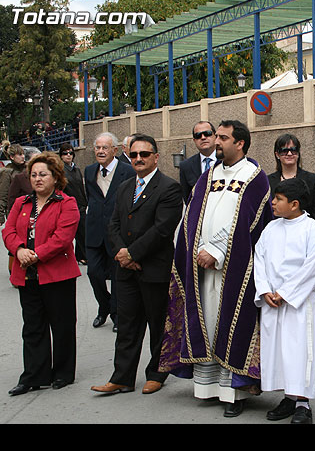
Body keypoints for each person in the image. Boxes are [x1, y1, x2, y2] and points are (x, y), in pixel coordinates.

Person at [159, 120, 273, 418]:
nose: (216, 141)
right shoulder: (208, 175)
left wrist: (218, 252)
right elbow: (192, 215)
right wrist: (194, 249)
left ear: (240, 143)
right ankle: (209, 387)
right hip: (201, 263)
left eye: (223, 137)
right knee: (207, 321)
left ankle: (233, 391)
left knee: (231, 324)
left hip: (233, 268)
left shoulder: (255, 177)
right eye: (216, 136)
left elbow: (250, 224)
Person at [91, 134, 183, 396]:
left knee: (157, 324)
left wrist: (132, 254)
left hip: (153, 269)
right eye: (134, 155)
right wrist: (122, 253)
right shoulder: (124, 187)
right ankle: (122, 377)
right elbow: (114, 224)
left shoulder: (169, 188)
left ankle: (157, 373)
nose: (139, 159)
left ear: (156, 156)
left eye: (144, 154)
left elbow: (162, 229)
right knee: (128, 326)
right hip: (125, 270)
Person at [3, 152, 81, 396]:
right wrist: (18, 250)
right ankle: (34, 375)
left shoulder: (66, 203)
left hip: (57, 274)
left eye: (43, 174)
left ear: (55, 177)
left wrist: (35, 254)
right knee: (33, 326)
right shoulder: (21, 203)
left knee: (62, 324)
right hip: (27, 274)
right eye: (33, 175)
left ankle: (63, 372)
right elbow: (9, 231)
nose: (37, 179)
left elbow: (62, 238)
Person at [254, 178, 315, 424]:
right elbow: (260, 260)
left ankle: (303, 404)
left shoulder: (311, 229)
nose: (273, 203)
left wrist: (286, 293)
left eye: (278, 199)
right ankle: (288, 396)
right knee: (278, 351)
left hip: (298, 303)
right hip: (272, 301)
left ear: (294, 204)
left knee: (299, 351)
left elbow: (313, 267)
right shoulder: (271, 229)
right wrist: (265, 290)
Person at [84, 132, 136, 332]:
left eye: (104, 147)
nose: (100, 151)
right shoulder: (89, 171)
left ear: (115, 150)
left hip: (117, 233)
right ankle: (103, 305)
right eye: (97, 147)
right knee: (94, 273)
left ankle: (116, 314)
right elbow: (90, 198)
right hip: (94, 231)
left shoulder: (127, 171)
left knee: (116, 277)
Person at [268, 133, 315, 233]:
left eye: (293, 150)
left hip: (304, 235)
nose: (289, 154)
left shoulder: (311, 179)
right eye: (284, 151)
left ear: (298, 153)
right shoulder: (268, 181)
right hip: (276, 234)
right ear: (277, 154)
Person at [59, 143, 88, 265]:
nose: (68, 155)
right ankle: (83, 255)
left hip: (81, 203)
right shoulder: (61, 171)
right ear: (61, 156)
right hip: (69, 205)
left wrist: (85, 201)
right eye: (65, 153)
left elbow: (81, 187)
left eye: (70, 153)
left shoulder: (76, 169)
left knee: (83, 230)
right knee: (79, 231)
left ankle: (80, 255)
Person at [179, 120, 216, 204]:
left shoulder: (227, 160)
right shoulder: (186, 166)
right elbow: (187, 198)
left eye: (207, 133)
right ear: (194, 140)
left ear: (215, 136)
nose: (203, 137)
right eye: (198, 135)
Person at [0, 144, 26, 225]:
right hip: (15, 211)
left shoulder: (28, 169)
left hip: (30, 209)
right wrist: (0, 215)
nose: (23, 156)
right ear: (12, 157)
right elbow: (3, 194)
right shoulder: (7, 172)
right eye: (20, 154)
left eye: (23, 154)